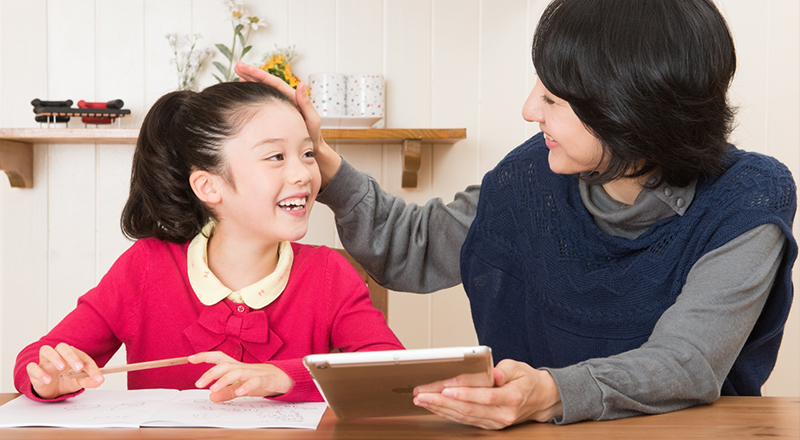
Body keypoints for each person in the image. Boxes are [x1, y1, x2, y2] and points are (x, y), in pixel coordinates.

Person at [235, 0, 797, 430]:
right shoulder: (530, 176)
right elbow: (411, 248)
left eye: (553, 99)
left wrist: (550, 391)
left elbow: (687, 361)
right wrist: (320, 164)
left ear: (628, 112)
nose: (530, 110)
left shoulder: (747, 198)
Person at [14, 81, 403, 404]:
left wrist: (285, 378)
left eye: (306, 153)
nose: (303, 173)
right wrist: (47, 379)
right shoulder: (145, 267)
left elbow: (390, 372)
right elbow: (37, 359)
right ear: (208, 185)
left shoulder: (329, 274)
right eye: (275, 156)